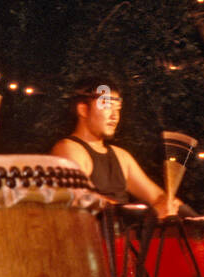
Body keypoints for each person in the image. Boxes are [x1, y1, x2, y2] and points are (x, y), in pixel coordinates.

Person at [50, 77, 179, 216]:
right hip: (91, 234)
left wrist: (174, 206)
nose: (114, 116)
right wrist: (144, 215)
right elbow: (80, 197)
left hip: (123, 235)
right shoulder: (69, 149)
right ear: (83, 110)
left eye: (117, 109)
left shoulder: (121, 156)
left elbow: (158, 197)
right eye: (107, 107)